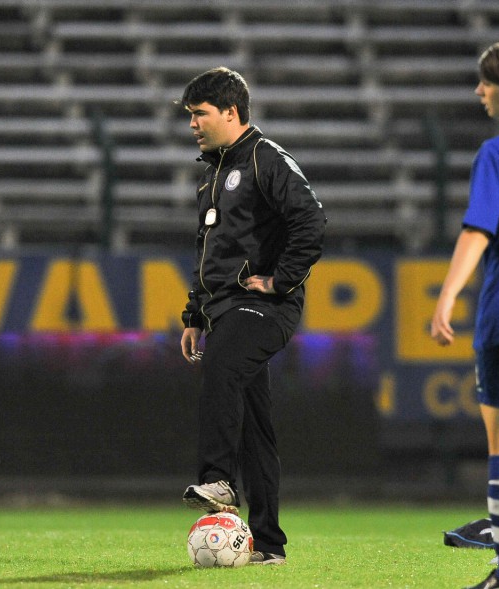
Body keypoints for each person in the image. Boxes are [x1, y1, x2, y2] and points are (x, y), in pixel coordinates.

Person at [178, 67, 326, 565]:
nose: (193, 124)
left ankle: (219, 478)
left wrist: (281, 278)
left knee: (222, 364)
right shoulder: (212, 175)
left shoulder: (265, 158)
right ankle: (268, 543)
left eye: (199, 114)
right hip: (225, 308)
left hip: (266, 306)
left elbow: (310, 220)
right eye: (190, 116)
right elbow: (209, 254)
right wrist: (194, 313)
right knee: (255, 425)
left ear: (231, 112)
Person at [431, 41, 499, 589]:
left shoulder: (495, 154)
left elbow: (479, 228)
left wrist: (447, 295)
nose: (479, 91)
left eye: (486, 81)